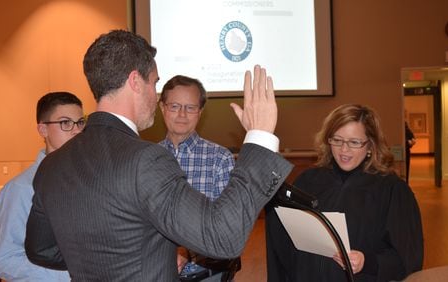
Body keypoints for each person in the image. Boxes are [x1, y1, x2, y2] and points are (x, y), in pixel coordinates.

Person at [24, 29, 292, 281]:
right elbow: (223, 237)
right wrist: (260, 136)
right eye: (154, 83)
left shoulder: (51, 165)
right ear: (135, 82)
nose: (155, 95)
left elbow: (41, 250)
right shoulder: (146, 160)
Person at [266, 104, 424, 282]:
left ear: (370, 145)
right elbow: (282, 240)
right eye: (337, 140)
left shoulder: (393, 191)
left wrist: (367, 261)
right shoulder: (308, 180)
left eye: (354, 142)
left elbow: (408, 259)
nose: (344, 150)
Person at [0, 92, 85, 281]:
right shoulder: (21, 188)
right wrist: (70, 276)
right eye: (65, 123)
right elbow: (6, 260)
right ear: (43, 129)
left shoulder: (87, 178)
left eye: (80, 122)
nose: (76, 131)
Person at [158, 75, 239, 281]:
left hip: (205, 273)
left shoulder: (220, 159)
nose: (182, 114)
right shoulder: (146, 157)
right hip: (154, 270)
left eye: (191, 107)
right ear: (162, 108)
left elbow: (226, 228)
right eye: (175, 106)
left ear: (200, 112)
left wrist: (187, 251)